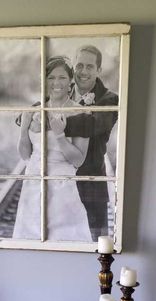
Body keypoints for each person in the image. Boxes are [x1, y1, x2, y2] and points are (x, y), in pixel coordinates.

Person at [12, 56, 92, 242]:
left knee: (63, 240)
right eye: (51, 77)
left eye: (62, 77)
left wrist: (60, 136)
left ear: (70, 80)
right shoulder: (35, 109)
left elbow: (78, 160)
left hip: (61, 187)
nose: (56, 83)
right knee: (29, 242)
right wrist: (24, 129)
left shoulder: (81, 114)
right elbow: (25, 155)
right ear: (44, 80)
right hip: (32, 183)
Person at [64, 45, 118, 240]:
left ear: (98, 70)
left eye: (89, 66)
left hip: (91, 181)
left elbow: (92, 127)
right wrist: (26, 117)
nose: (83, 71)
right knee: (61, 238)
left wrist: (51, 122)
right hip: (60, 180)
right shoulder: (61, 90)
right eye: (79, 66)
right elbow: (39, 106)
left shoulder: (110, 100)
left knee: (97, 244)